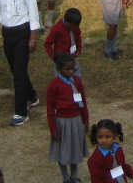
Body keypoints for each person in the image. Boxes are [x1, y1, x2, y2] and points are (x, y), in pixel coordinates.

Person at [46, 53, 89, 183]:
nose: (71, 71)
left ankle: (74, 176)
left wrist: (85, 120)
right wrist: (53, 128)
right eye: (67, 69)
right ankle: (65, 177)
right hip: (62, 122)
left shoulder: (77, 81)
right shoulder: (54, 85)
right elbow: (49, 108)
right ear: (59, 69)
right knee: (62, 150)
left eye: (72, 69)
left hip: (76, 120)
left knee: (75, 149)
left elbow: (83, 101)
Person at [45, 8, 83, 77]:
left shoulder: (75, 27)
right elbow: (47, 43)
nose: (74, 28)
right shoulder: (56, 29)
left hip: (72, 57)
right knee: (61, 79)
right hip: (61, 59)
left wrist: (79, 49)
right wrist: (54, 57)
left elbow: (78, 38)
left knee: (77, 75)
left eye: (76, 26)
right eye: (72, 26)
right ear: (66, 21)